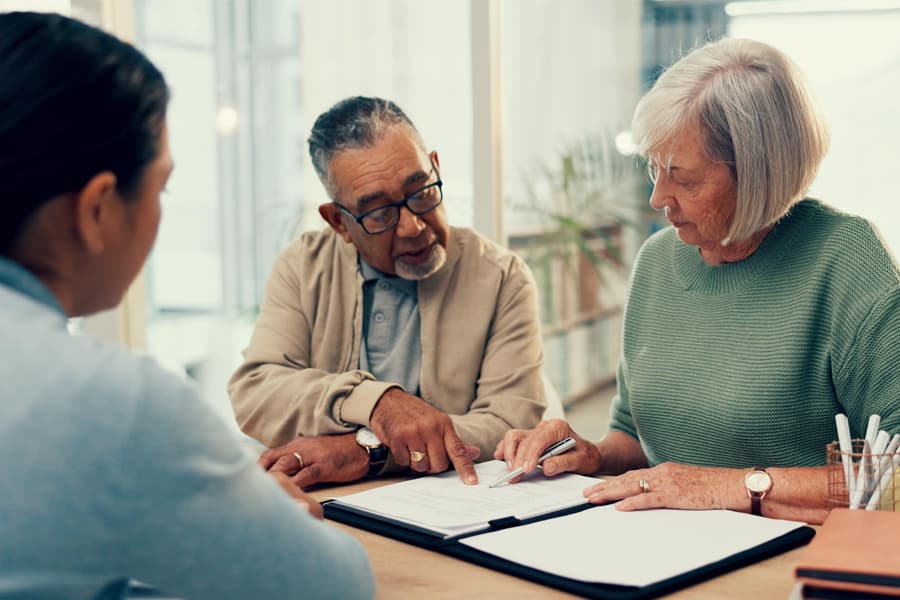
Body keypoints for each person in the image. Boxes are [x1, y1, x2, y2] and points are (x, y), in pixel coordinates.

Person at [0, 12, 372, 599]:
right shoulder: (110, 402)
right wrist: (264, 518)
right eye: (161, 186)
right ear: (97, 210)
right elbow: (334, 588)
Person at [495, 37, 900, 524]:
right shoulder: (657, 261)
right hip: (666, 549)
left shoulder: (846, 260)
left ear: (758, 174)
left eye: (683, 179)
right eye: (654, 168)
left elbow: (892, 476)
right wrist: (593, 455)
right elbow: (639, 436)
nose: (657, 197)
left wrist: (729, 487)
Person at [228, 96, 545, 488]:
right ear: (339, 222)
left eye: (422, 192)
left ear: (436, 167)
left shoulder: (503, 277)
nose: (412, 226)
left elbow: (509, 424)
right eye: (379, 213)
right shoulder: (303, 266)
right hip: (325, 499)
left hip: (454, 500)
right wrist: (377, 403)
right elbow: (257, 389)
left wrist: (365, 451)